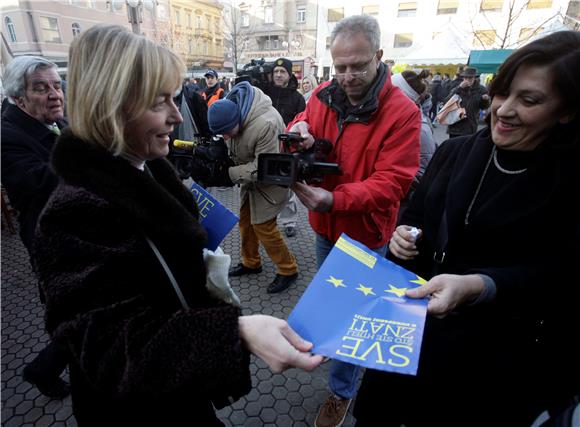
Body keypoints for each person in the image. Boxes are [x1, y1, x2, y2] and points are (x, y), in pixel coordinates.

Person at [32, 25, 322, 426]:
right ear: (112, 106)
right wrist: (234, 332)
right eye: (159, 102)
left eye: (174, 98)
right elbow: (111, 351)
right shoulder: (77, 211)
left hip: (176, 394)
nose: (175, 116)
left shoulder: (145, 167)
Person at [353, 30, 580, 427]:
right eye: (502, 92)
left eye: (529, 100)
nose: (504, 110)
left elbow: (563, 276)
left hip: (491, 364)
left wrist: (482, 285)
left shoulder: (570, 182)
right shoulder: (454, 151)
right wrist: (404, 234)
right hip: (409, 338)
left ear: (567, 110)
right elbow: (417, 211)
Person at [287, 15, 421, 427]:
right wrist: (299, 129)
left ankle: (342, 390)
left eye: (357, 65)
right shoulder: (322, 94)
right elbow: (295, 128)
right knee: (335, 300)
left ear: (379, 57)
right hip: (324, 226)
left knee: (354, 314)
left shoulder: (403, 112)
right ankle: (332, 351)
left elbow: (393, 182)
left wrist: (335, 200)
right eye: (339, 66)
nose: (346, 76)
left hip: (365, 234)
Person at [1, 55, 70, 399]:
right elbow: (41, 182)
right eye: (41, 88)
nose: (55, 94)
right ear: (19, 98)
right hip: (52, 245)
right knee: (75, 318)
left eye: (57, 86)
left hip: (77, 235)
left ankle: (43, 368)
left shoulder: (54, 122)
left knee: (81, 316)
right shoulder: (8, 136)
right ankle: (42, 370)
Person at [207, 82, 300, 294]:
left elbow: (263, 166)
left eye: (227, 132)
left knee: (264, 227)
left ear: (237, 119)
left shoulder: (266, 123)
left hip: (272, 182)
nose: (226, 137)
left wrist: (228, 174)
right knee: (246, 222)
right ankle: (251, 262)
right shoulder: (233, 116)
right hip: (251, 183)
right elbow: (233, 144)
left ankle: (288, 269)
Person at [262, 57, 307, 238]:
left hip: (287, 149)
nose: (278, 75)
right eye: (276, 72)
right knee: (265, 185)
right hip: (265, 146)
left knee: (287, 187)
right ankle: (267, 218)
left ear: (289, 75)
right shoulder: (264, 95)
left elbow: (303, 122)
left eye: (282, 72)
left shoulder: (297, 98)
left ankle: (289, 221)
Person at [390, 71, 436, 218]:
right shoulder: (395, 120)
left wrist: (389, 177)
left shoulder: (420, 130)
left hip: (401, 206)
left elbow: (423, 175)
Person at [444, 66, 490, 138]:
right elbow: (447, 101)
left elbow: (484, 107)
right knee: (454, 147)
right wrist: (459, 88)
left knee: (466, 147)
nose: (467, 80)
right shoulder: (457, 86)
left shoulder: (481, 89)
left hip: (470, 125)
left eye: (470, 78)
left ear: (475, 78)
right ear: (463, 78)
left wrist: (486, 100)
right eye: (465, 78)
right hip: (455, 124)